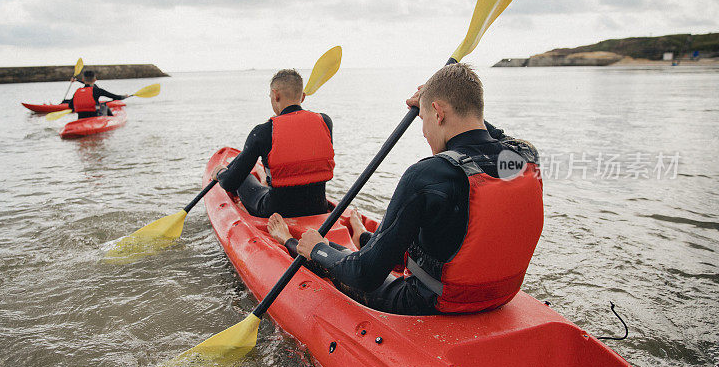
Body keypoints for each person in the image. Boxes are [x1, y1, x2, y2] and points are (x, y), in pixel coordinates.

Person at [267, 63, 544, 315]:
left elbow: (365, 275)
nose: (423, 132)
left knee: (331, 251)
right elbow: (487, 132)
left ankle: (288, 240)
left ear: (438, 113)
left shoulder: (426, 175)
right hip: (500, 297)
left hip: (430, 303)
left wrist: (318, 249)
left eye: (423, 117)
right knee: (409, 237)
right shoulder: (524, 156)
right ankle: (363, 235)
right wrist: (439, 98)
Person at [210, 69, 334, 218]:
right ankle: (265, 179)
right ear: (303, 97)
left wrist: (220, 173)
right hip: (318, 208)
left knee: (245, 178)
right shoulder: (325, 122)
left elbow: (230, 183)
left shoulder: (262, 131)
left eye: (270, 96)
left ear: (276, 95)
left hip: (276, 212)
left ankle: (255, 179)